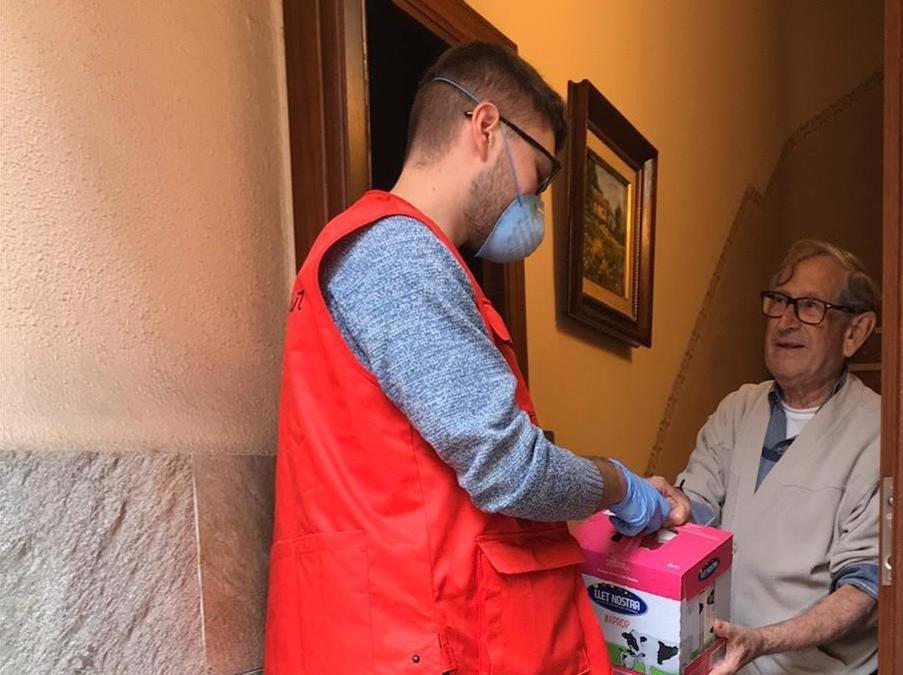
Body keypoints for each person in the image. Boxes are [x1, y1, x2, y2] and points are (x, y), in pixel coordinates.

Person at [264, 42, 684, 674]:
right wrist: (620, 485)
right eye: (538, 176)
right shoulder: (397, 256)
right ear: (486, 127)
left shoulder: (403, 258)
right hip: (414, 638)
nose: (536, 204)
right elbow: (509, 469)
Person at [659, 239, 882, 674]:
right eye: (779, 301)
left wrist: (765, 641)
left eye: (810, 306)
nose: (785, 321)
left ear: (855, 332)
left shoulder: (878, 429)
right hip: (724, 662)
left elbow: (864, 587)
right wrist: (668, 506)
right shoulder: (738, 407)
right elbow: (697, 512)